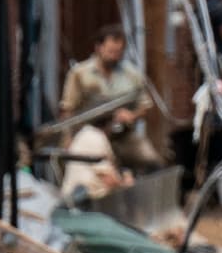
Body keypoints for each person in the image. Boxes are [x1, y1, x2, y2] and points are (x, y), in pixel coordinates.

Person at [61, 26, 164, 172]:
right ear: (98, 48)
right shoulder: (80, 74)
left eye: (118, 52)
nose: (115, 56)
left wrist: (131, 115)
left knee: (151, 161)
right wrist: (68, 139)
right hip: (90, 135)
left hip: (123, 136)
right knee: (96, 174)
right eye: (111, 51)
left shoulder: (131, 74)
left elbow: (146, 106)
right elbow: (68, 109)